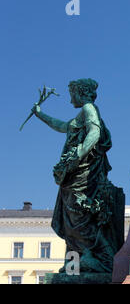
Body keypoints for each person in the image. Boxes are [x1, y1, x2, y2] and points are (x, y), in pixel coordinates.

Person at [32, 78, 124, 273]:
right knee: (72, 215)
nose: (70, 98)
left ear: (80, 92)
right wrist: (40, 115)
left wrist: (78, 155)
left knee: (78, 212)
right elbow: (62, 126)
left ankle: (98, 258)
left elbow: (95, 133)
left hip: (83, 174)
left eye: (72, 93)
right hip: (73, 175)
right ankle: (77, 263)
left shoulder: (89, 108)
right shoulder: (82, 112)